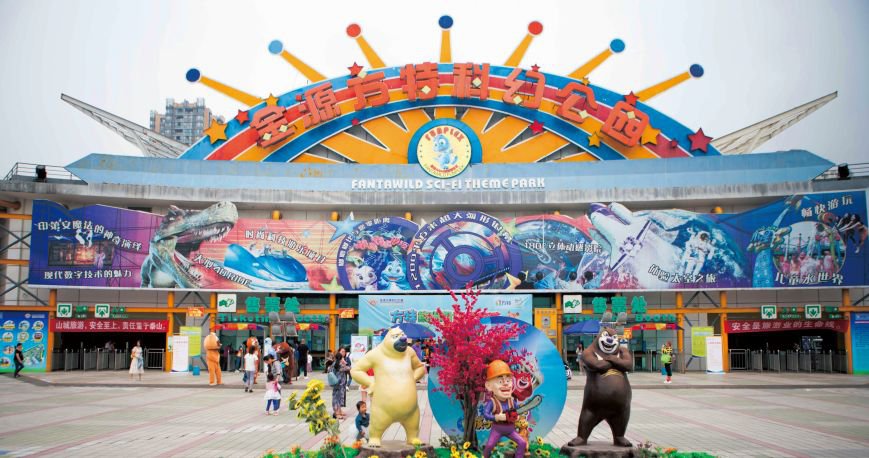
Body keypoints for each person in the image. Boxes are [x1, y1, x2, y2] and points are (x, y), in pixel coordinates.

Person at [481, 360, 527, 458]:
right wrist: (497, 417)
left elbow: (517, 412)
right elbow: (485, 414)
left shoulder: (512, 401)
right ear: (489, 386)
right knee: (489, 446)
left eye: (508, 381)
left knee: (522, 442)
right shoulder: (492, 402)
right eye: (500, 382)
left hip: (511, 429)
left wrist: (517, 417)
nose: (505, 384)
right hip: (497, 429)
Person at [331, 347, 351, 419]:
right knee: (337, 398)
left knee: (337, 398)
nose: (343, 358)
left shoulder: (335, 364)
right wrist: (344, 362)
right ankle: (336, 413)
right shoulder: (340, 365)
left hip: (338, 384)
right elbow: (349, 368)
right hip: (339, 384)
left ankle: (339, 411)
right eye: (342, 358)